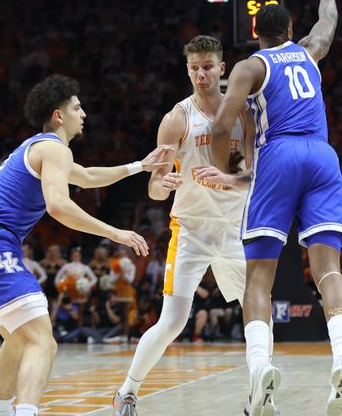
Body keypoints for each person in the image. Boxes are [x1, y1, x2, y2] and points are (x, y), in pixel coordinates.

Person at [193, 0, 342, 415]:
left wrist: (224, 173)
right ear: (289, 28)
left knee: (259, 277)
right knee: (328, 272)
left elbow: (223, 127)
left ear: (256, 34)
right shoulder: (309, 51)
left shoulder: (249, 66)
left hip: (279, 154)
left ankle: (261, 368)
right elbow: (328, 23)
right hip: (323, 155)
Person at [0, 75, 162, 416]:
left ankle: (2, 412)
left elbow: (89, 176)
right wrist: (115, 232)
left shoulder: (39, 148)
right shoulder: (54, 149)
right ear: (58, 115)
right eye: (77, 107)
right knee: (42, 342)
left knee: (19, 339)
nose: (84, 114)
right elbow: (58, 206)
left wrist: (139, 165)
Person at [113, 34, 264, 416]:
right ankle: (127, 391)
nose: (201, 74)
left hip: (234, 227)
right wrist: (160, 184)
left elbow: (255, 174)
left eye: (207, 67)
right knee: (173, 321)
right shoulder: (176, 118)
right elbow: (154, 188)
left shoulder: (244, 113)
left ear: (222, 68)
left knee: (257, 313)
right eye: (194, 67)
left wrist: (234, 178)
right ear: (188, 69)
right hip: (192, 229)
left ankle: (259, 399)